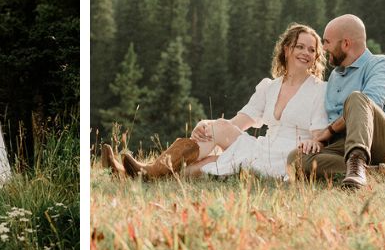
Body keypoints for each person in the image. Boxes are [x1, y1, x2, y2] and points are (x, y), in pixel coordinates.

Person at [103, 24, 328, 182]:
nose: (306, 53)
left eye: (311, 50)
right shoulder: (269, 87)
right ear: (287, 49)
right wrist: (208, 125)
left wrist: (314, 143)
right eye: (300, 46)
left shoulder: (319, 90)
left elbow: (319, 134)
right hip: (262, 148)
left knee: (198, 167)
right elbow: (240, 121)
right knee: (199, 159)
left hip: (285, 157)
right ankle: (130, 173)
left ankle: (144, 172)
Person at [289, 14, 385, 190]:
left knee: (358, 98)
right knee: (295, 158)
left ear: (345, 44)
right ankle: (384, 173)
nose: (323, 48)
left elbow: (369, 104)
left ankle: (357, 163)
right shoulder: (335, 76)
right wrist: (318, 141)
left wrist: (328, 131)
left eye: (327, 42)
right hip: (343, 143)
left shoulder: (380, 64)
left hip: (381, 143)